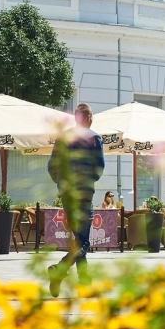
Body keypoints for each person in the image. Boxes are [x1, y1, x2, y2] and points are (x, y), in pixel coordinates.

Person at [48, 102, 105, 263]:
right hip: (84, 193)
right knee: (83, 241)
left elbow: (52, 166)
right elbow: (99, 166)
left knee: (79, 237)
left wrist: (61, 182)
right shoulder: (93, 138)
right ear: (89, 118)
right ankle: (60, 268)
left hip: (66, 193)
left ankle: (83, 277)